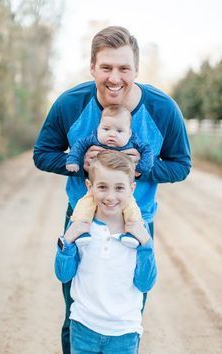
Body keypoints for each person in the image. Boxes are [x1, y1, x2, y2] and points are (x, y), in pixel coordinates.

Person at [33, 26, 191, 353]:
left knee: (129, 310)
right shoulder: (70, 104)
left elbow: (181, 164)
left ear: (136, 69)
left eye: (123, 68)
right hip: (83, 219)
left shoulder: (163, 110)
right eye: (106, 67)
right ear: (92, 67)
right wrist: (74, 162)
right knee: (76, 309)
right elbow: (42, 153)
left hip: (136, 221)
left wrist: (144, 168)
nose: (114, 77)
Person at [55, 150, 157, 354]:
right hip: (83, 327)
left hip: (124, 332)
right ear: (89, 187)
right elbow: (63, 274)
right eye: (102, 187)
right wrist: (67, 241)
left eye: (119, 188)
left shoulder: (138, 233)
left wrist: (146, 244)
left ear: (131, 189)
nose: (110, 196)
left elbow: (145, 283)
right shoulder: (81, 228)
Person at [66, 104, 154, 248]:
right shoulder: (93, 139)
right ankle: (81, 231)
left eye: (119, 131)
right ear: (98, 128)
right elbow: (78, 146)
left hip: (121, 190)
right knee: (84, 205)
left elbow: (148, 151)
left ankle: (132, 233)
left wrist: (141, 168)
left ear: (129, 133)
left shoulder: (133, 142)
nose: (112, 134)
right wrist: (73, 160)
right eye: (106, 129)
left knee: (132, 209)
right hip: (97, 189)